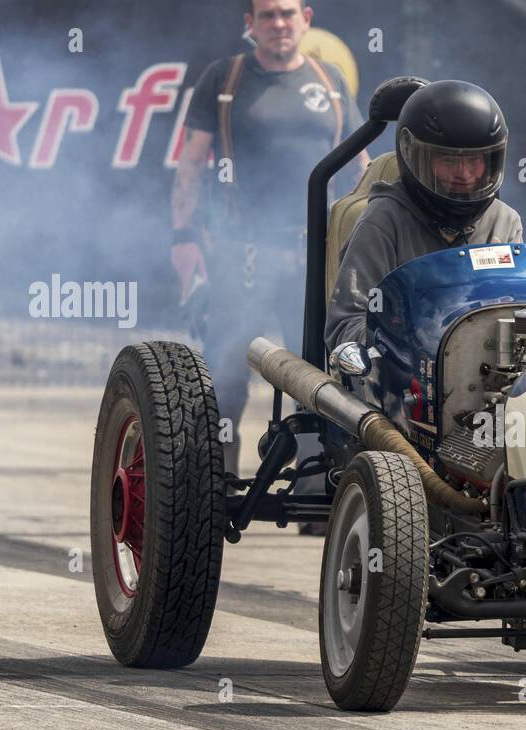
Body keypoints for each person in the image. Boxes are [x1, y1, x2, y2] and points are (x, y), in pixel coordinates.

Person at [171, 0, 366, 476]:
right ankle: (213, 490)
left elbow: (362, 170)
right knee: (226, 376)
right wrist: (183, 238)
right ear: (250, 25)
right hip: (243, 254)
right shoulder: (225, 80)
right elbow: (192, 164)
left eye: (286, 14)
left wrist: (363, 244)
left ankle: (316, 485)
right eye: (267, 16)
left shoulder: (331, 83)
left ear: (306, 20)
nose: (278, 24)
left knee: (321, 375)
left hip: (315, 255)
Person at [326, 80, 523, 351]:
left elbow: (517, 308)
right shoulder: (383, 220)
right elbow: (346, 325)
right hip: (403, 384)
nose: (463, 175)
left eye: (474, 161)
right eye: (449, 161)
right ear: (416, 158)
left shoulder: (504, 220)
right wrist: (401, 345)